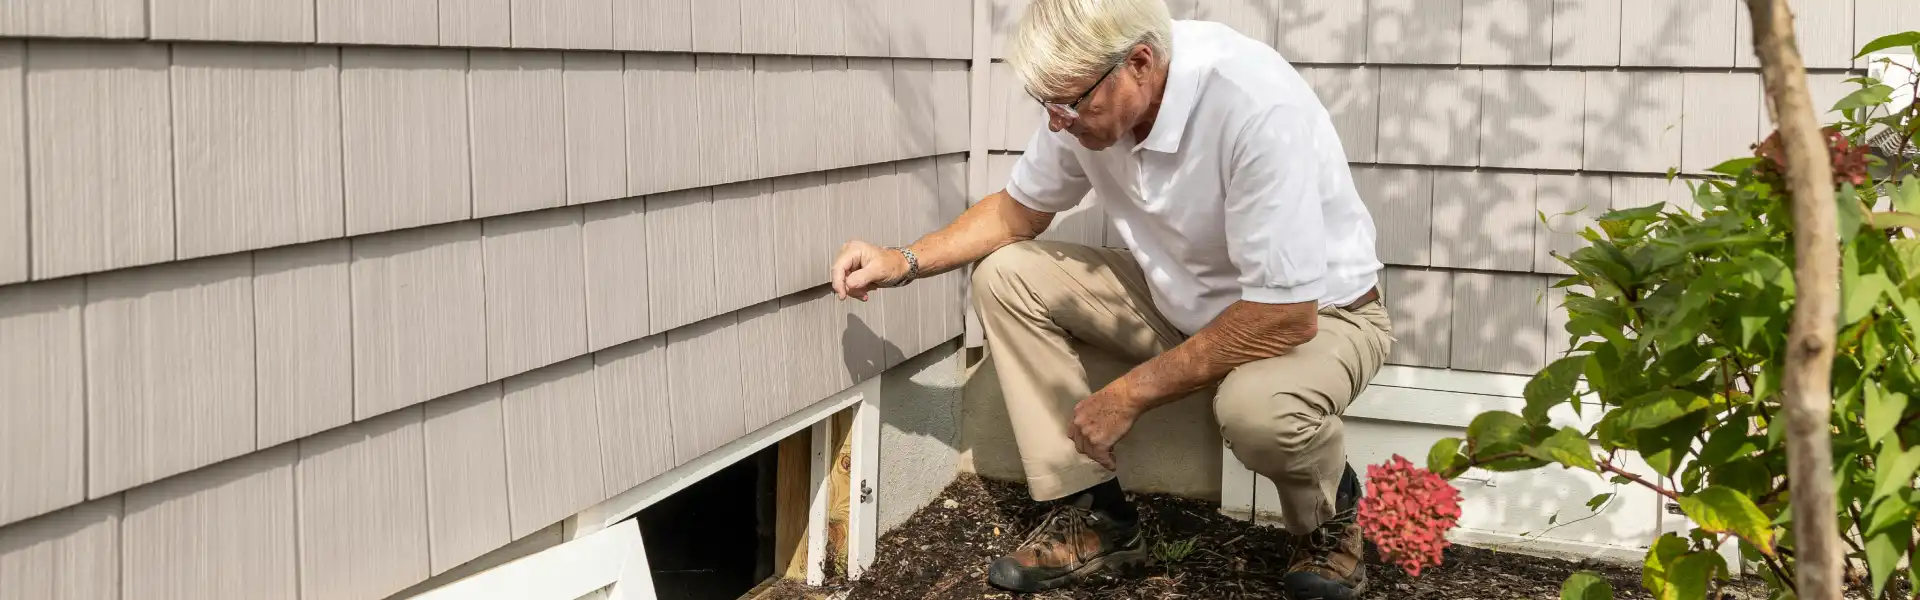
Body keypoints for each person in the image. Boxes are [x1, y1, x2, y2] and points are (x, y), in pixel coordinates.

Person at [826, 0, 1391, 597]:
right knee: (1006, 274)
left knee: (1259, 415)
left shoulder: (1253, 105)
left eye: (1069, 104)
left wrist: (1127, 395)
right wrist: (903, 261)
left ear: (1140, 63)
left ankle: (1330, 516)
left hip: (1317, 317)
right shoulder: (1088, 100)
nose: (1055, 124)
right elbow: (1017, 214)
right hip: (1180, 302)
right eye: (1046, 105)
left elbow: (1283, 315)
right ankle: (1096, 517)